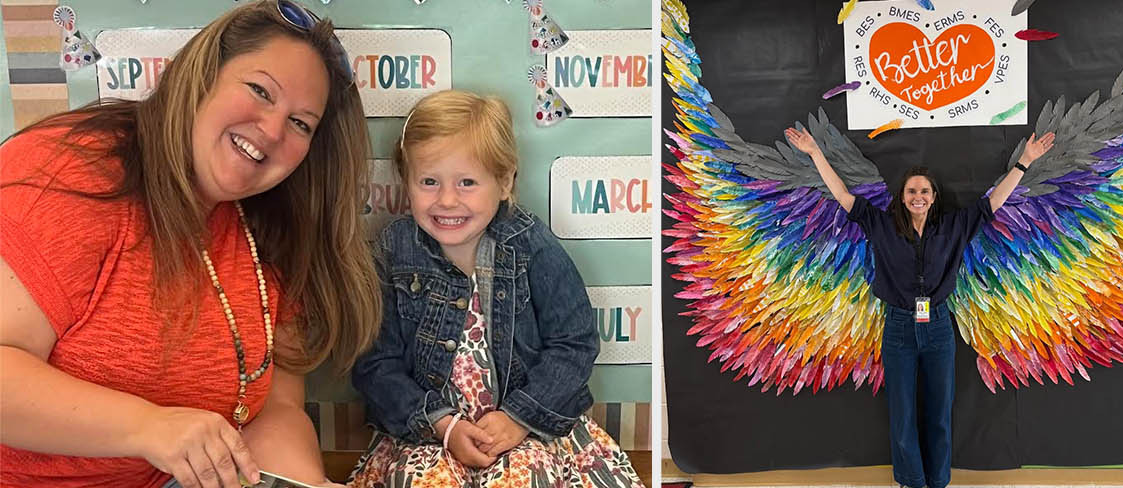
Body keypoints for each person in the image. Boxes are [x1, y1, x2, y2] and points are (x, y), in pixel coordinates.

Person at [0, 1, 372, 486]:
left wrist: (302, 483)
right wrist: (148, 427)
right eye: (260, 91)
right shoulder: (69, 169)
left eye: (301, 123)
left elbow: (276, 409)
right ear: (197, 77)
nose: (273, 130)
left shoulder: (275, 226)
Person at [349, 90, 644, 487]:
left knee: (527, 476)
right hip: (430, 435)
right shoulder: (394, 250)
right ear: (407, 181)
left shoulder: (530, 245)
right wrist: (442, 425)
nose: (447, 200)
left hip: (527, 430)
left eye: (467, 182)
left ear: (504, 182)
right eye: (429, 182)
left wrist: (519, 417)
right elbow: (375, 363)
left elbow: (574, 343)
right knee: (418, 479)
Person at [788, 127, 1054, 488]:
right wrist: (814, 152)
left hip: (939, 328)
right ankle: (911, 480)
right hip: (898, 328)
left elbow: (993, 202)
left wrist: (1025, 161)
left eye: (924, 191)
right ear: (902, 197)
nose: (918, 196)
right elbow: (842, 195)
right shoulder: (880, 224)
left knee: (939, 412)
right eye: (912, 191)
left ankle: (938, 481)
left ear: (933, 197)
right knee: (902, 413)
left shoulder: (954, 226)